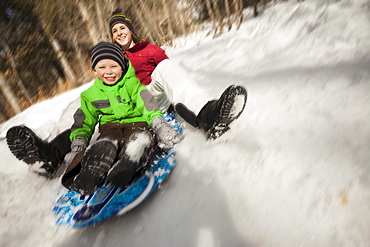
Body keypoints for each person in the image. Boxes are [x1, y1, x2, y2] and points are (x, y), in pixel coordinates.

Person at [6, 9, 247, 180]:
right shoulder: (110, 56)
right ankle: (50, 155)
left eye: (122, 28)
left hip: (149, 94)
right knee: (80, 104)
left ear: (131, 30)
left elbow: (172, 78)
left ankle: (208, 115)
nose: (119, 32)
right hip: (120, 101)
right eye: (114, 30)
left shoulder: (150, 49)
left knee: (166, 68)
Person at [10, 42, 182, 195]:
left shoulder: (132, 84)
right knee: (104, 144)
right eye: (102, 67)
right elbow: (83, 119)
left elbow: (147, 103)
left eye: (114, 66)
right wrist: (78, 143)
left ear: (122, 66)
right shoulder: (91, 94)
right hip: (110, 128)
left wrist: (157, 123)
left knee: (141, 139)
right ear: (94, 70)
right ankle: (89, 172)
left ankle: (128, 165)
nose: (108, 72)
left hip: (137, 123)